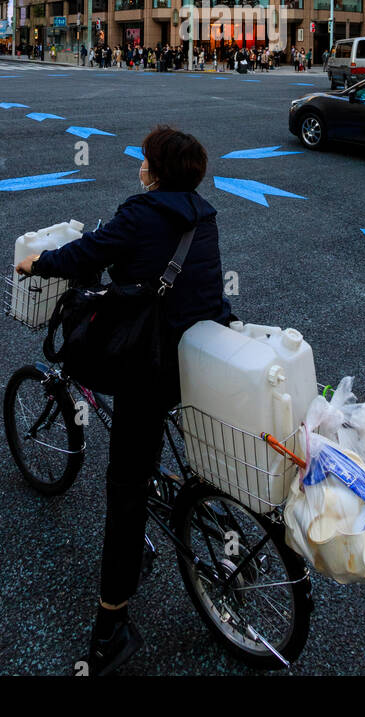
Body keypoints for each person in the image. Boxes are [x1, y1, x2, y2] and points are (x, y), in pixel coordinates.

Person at [16, 125, 231, 677]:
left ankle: (111, 624)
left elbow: (87, 253)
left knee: (125, 490)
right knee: (167, 445)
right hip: (198, 353)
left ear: (154, 171)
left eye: (144, 159)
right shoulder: (202, 217)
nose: (139, 166)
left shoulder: (140, 213)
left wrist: (34, 265)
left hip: (150, 366)